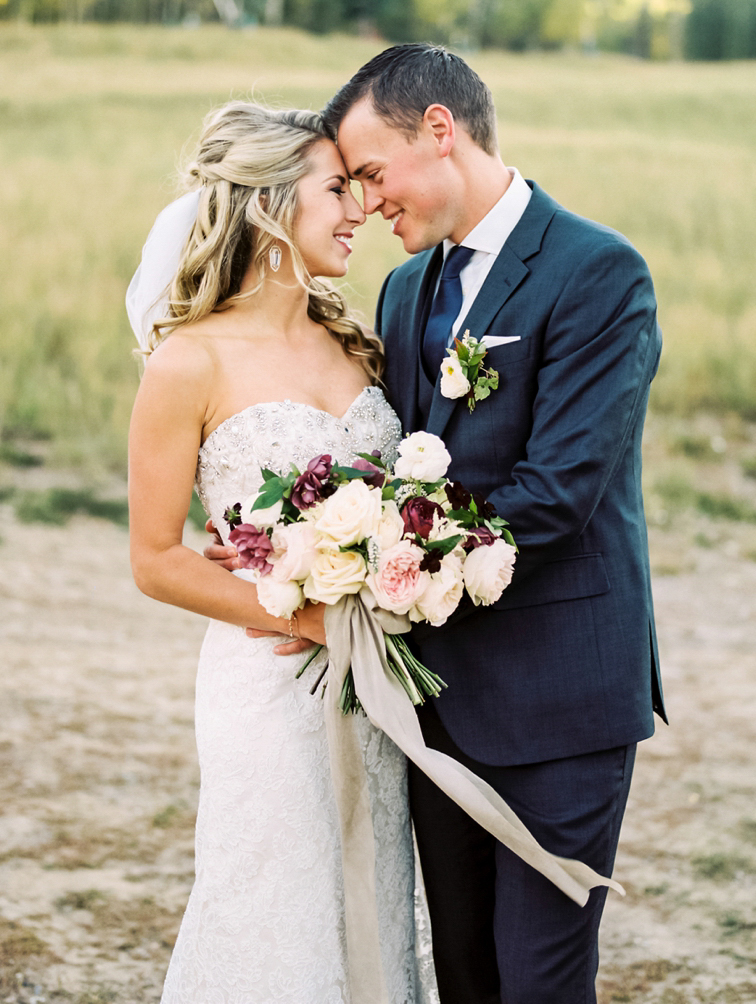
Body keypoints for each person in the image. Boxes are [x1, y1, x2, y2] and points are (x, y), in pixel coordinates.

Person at [209, 44, 667, 1002]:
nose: (367, 203)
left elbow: (556, 494)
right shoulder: (405, 290)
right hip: (432, 703)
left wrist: (367, 580)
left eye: (372, 173)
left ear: (441, 132)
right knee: (462, 974)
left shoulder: (599, 272)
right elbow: (379, 473)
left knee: (539, 980)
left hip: (559, 698)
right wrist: (288, 549)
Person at [127, 101, 434, 1003]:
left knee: (372, 890)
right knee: (274, 898)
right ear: (267, 206)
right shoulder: (188, 362)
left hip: (374, 683)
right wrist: (302, 611)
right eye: (337, 189)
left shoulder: (359, 345)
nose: (360, 210)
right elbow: (154, 557)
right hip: (268, 683)